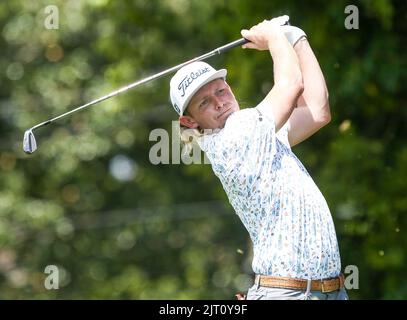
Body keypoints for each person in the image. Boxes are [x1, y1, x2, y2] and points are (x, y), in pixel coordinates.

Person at [169, 16, 348, 300]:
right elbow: (290, 85)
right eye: (205, 102)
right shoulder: (237, 135)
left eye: (221, 90)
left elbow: (318, 110)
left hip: (328, 291)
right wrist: (274, 36)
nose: (219, 101)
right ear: (190, 122)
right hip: (289, 294)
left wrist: (297, 38)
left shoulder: (258, 133)